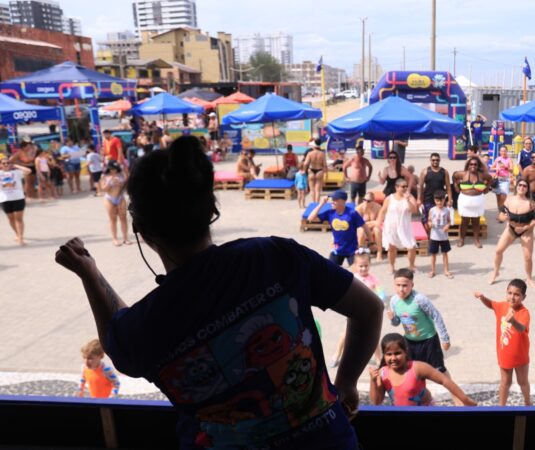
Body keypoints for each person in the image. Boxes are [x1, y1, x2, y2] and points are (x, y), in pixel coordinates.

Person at [55, 136, 383, 448]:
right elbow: (369, 309)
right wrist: (347, 382)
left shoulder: (143, 325)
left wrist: (91, 275)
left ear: (139, 228)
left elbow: (120, 338)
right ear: (211, 209)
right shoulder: (276, 257)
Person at [368, 333, 476, 406]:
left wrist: (465, 400)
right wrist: (373, 381)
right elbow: (376, 402)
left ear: (405, 352)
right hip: (400, 414)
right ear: (384, 355)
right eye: (389, 354)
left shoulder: (417, 368)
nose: (393, 358)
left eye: (397, 353)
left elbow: (444, 380)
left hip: (425, 412)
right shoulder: (383, 373)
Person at [473, 279, 531, 406]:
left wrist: (513, 321)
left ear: (523, 297)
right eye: (509, 293)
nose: (512, 297)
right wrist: (482, 297)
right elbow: (491, 304)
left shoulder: (524, 313)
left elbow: (522, 328)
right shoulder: (502, 306)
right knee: (505, 382)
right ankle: (501, 407)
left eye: (517, 294)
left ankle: (528, 403)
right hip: (505, 354)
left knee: (523, 382)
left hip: (521, 356)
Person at [387, 269, 452, 377]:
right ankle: (421, 393)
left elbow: (436, 316)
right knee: (413, 371)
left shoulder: (419, 299)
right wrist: (393, 319)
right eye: (398, 285)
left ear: (412, 285)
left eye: (404, 285)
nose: (401, 289)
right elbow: (397, 323)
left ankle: (454, 392)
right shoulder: (394, 301)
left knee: (439, 370)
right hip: (410, 341)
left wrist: (444, 338)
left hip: (429, 340)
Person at [331, 251, 386, 368]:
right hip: (353, 311)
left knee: (373, 335)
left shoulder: (373, 279)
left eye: (366, 266)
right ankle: (337, 354)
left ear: (370, 265)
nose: (363, 268)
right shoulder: (353, 278)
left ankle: (378, 357)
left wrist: (380, 298)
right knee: (345, 334)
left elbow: (381, 293)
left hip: (369, 313)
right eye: (360, 266)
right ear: (355, 266)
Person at [490, 179, 535, 286]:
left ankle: (529, 278)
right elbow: (500, 215)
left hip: (526, 231)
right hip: (511, 229)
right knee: (498, 251)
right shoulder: (509, 200)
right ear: (516, 187)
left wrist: (526, 227)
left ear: (527, 189)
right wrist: (503, 218)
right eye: (520, 185)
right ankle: (496, 272)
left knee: (528, 257)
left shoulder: (530, 203)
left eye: (524, 186)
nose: (522, 187)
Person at [309, 190, 373, 267]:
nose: (332, 202)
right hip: (337, 250)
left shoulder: (352, 213)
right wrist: (321, 204)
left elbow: (365, 227)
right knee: (330, 271)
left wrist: (371, 242)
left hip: (352, 250)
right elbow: (311, 218)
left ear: (342, 201)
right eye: (332, 200)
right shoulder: (330, 213)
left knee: (356, 273)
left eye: (335, 200)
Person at [378, 179, 418, 272]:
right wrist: (379, 221)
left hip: (405, 226)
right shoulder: (390, 198)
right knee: (391, 247)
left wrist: (407, 200)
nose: (405, 188)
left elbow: (414, 210)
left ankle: (411, 265)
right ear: (396, 187)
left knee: (411, 246)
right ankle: (391, 266)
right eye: (402, 186)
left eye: (406, 186)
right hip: (391, 226)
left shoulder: (410, 197)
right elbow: (383, 210)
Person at [453, 156, 492, 248]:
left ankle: (476, 240)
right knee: (464, 221)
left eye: (475, 164)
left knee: (476, 221)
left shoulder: (482, 175)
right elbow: (454, 176)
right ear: (468, 165)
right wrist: (456, 187)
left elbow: (490, 178)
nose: (473, 166)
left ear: (478, 166)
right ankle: (461, 239)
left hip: (478, 201)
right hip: (465, 201)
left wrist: (487, 188)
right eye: (471, 164)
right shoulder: (462, 174)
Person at [418, 152, 453, 235]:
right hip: (428, 199)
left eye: (437, 160)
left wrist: (450, 199)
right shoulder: (425, 171)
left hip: (441, 200)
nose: (435, 162)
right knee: (427, 220)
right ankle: (430, 238)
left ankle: (440, 237)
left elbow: (448, 187)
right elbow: (420, 187)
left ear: (439, 160)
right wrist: (419, 199)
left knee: (441, 219)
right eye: (433, 160)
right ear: (430, 160)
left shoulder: (444, 172)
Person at [0, 158, 32, 245]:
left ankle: (21, 238)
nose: (6, 164)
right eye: (4, 163)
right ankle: (17, 234)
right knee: (11, 219)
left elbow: (28, 171)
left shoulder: (16, 172)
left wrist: (16, 165)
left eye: (8, 163)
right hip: (5, 199)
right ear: (1, 165)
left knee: (19, 219)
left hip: (18, 198)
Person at [101, 161, 131, 247]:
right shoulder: (104, 176)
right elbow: (103, 189)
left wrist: (121, 184)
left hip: (120, 198)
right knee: (113, 219)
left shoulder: (121, 175)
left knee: (123, 218)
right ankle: (115, 238)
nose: (113, 170)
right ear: (109, 168)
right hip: (110, 199)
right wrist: (110, 182)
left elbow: (127, 185)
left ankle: (126, 237)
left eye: (115, 168)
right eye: (112, 168)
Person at [427, 190, 453, 279]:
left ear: (444, 200)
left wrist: (447, 226)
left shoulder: (447, 211)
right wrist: (430, 224)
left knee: (445, 253)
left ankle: (446, 270)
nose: (439, 203)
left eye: (441, 201)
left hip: (444, 236)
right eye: (437, 201)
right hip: (434, 236)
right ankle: (433, 270)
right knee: (433, 254)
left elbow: (449, 221)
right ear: (434, 200)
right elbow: (429, 220)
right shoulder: (432, 210)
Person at [356, 192, 383, 260]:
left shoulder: (378, 207)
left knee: (377, 230)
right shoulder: (359, 208)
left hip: (373, 228)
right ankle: (361, 252)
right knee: (361, 230)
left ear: (373, 201)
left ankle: (379, 252)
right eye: (364, 200)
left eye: (368, 201)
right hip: (363, 229)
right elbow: (357, 224)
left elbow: (379, 222)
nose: (365, 202)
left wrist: (366, 224)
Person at [491, 145, 513, 218]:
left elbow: (512, 169)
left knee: (503, 197)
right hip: (498, 179)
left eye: (504, 151)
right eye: (502, 151)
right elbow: (492, 167)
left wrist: (505, 167)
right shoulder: (498, 159)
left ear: (507, 151)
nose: (503, 152)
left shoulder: (509, 159)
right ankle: (500, 213)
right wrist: (497, 168)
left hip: (505, 180)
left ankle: (502, 212)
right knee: (498, 198)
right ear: (500, 152)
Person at [303, 139, 327, 204]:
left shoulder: (310, 153)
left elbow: (305, 163)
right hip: (319, 170)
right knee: (318, 190)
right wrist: (326, 173)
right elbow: (325, 165)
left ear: (314, 146)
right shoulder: (322, 154)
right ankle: (317, 204)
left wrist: (304, 171)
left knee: (312, 189)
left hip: (311, 170)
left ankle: (313, 203)